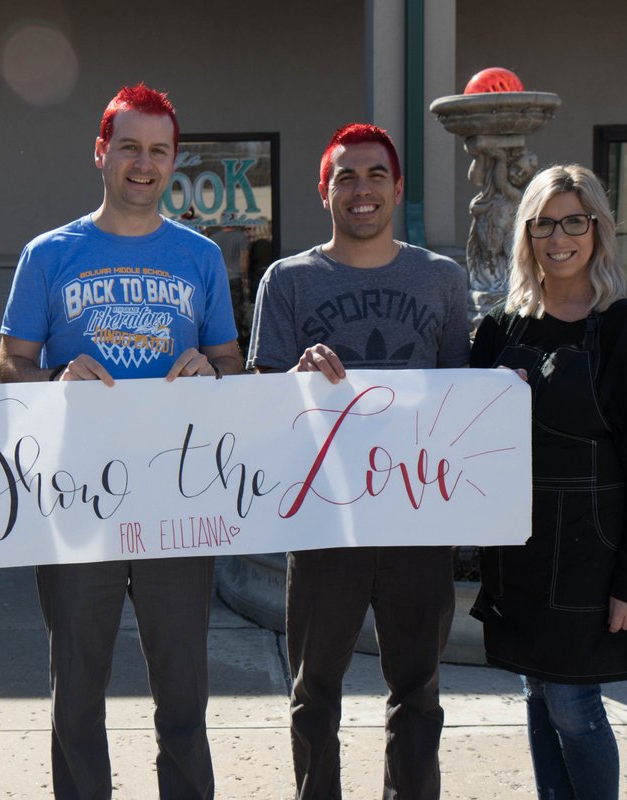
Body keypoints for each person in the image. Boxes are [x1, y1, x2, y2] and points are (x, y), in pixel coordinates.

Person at [0, 82, 241, 800]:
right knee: (76, 688)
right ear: (102, 152)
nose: (143, 163)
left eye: (158, 151)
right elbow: (9, 363)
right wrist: (52, 375)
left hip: (177, 494)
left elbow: (230, 362)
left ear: (173, 161)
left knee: (184, 691)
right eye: (128, 147)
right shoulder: (49, 254)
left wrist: (209, 368)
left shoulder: (198, 256)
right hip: (77, 499)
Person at [247, 123, 470, 799]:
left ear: (398, 188)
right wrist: (294, 377)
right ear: (324, 191)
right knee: (314, 695)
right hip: (323, 524)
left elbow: (464, 397)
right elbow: (261, 404)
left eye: (375, 175)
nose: (362, 189)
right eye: (346, 176)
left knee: (419, 694)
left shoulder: (442, 279)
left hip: (417, 521)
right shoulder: (287, 281)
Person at [469, 164, 627, 800]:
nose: (558, 238)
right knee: (537, 691)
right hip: (520, 547)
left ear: (597, 228)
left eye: (573, 222)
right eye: (543, 224)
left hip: (594, 551)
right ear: (526, 235)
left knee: (571, 704)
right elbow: (462, 436)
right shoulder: (500, 329)